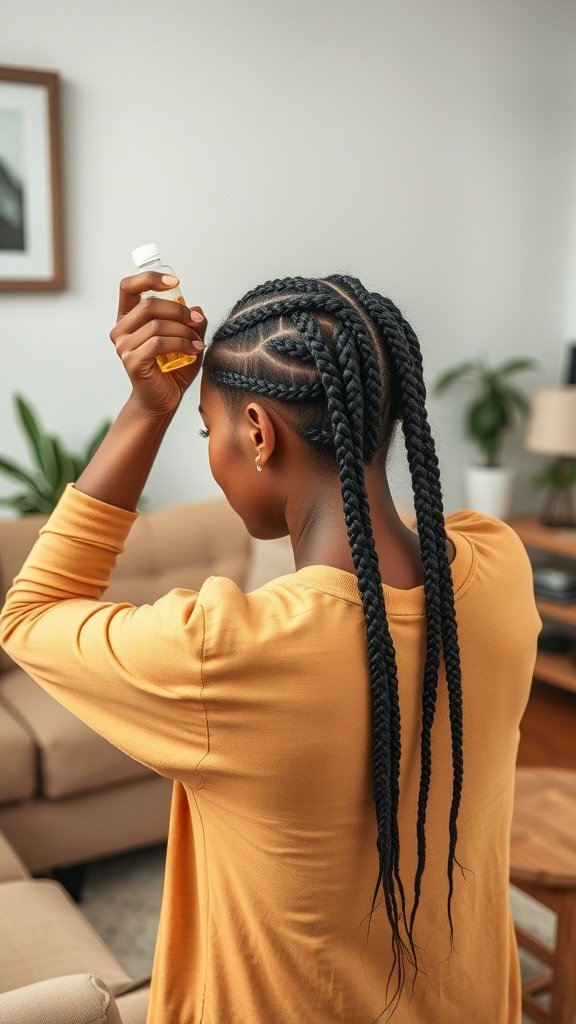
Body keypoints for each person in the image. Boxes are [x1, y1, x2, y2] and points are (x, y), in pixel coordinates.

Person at [0, 271, 540, 1023]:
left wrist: (146, 408)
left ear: (258, 433)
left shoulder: (223, 653)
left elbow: (29, 614)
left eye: (206, 430)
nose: (212, 452)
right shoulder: (499, 568)